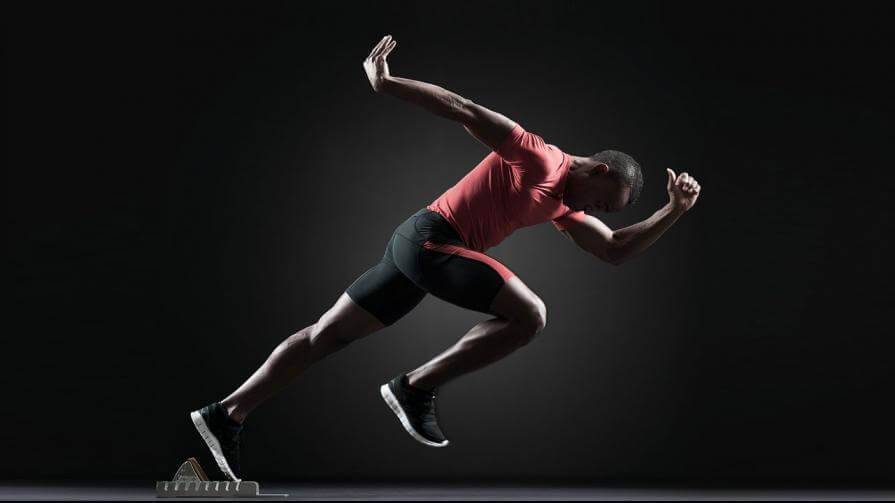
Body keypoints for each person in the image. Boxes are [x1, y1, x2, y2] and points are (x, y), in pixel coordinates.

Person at [190, 35, 702, 481]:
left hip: (418, 252)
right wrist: (386, 84)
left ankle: (226, 413)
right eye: (602, 202)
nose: (595, 212)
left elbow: (612, 250)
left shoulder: (564, 204)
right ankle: (414, 388)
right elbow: (463, 108)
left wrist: (674, 211)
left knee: (325, 335)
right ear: (597, 170)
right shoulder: (538, 157)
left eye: (602, 211)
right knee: (530, 314)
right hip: (429, 240)